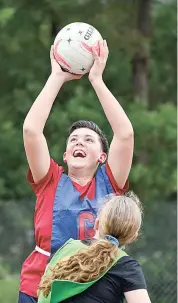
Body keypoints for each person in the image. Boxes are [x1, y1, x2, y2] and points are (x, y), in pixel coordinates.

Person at [19, 40, 134, 302]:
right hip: (42, 285)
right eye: (73, 139)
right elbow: (31, 131)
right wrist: (57, 76)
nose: (79, 141)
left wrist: (97, 80)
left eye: (88, 139)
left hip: (93, 285)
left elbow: (125, 134)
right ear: (65, 155)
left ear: (102, 157)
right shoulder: (50, 179)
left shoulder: (109, 183)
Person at [38, 192, 151, 303]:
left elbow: (43, 293)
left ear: (96, 224)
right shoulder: (127, 267)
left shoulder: (66, 249)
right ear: (132, 238)